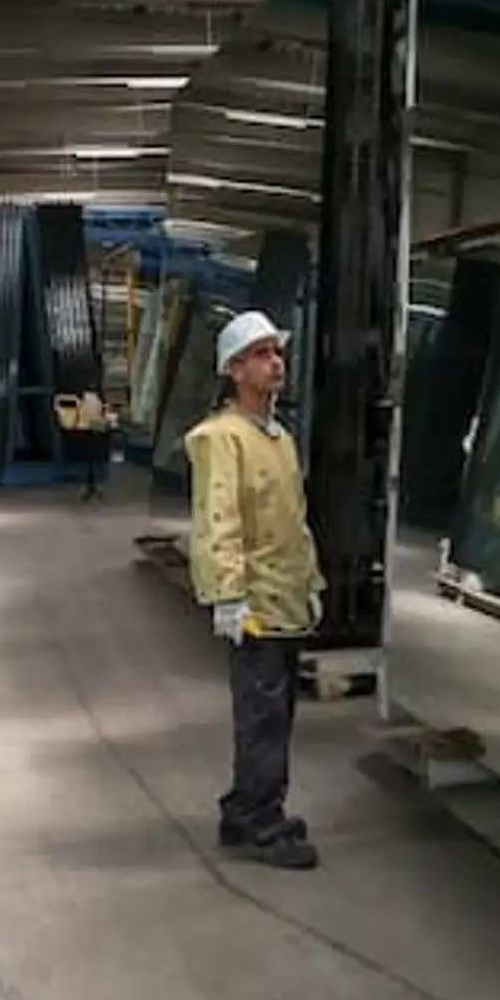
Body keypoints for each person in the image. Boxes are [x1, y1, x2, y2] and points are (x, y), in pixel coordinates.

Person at [186, 310, 321, 870]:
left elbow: (295, 518)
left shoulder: (279, 438)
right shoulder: (222, 439)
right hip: (255, 608)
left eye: (277, 353)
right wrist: (228, 596)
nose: (276, 363)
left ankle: (248, 809)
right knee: (262, 718)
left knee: (277, 714)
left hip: (286, 600)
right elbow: (218, 519)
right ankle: (260, 825)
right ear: (234, 369)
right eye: (263, 354)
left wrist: (312, 581)